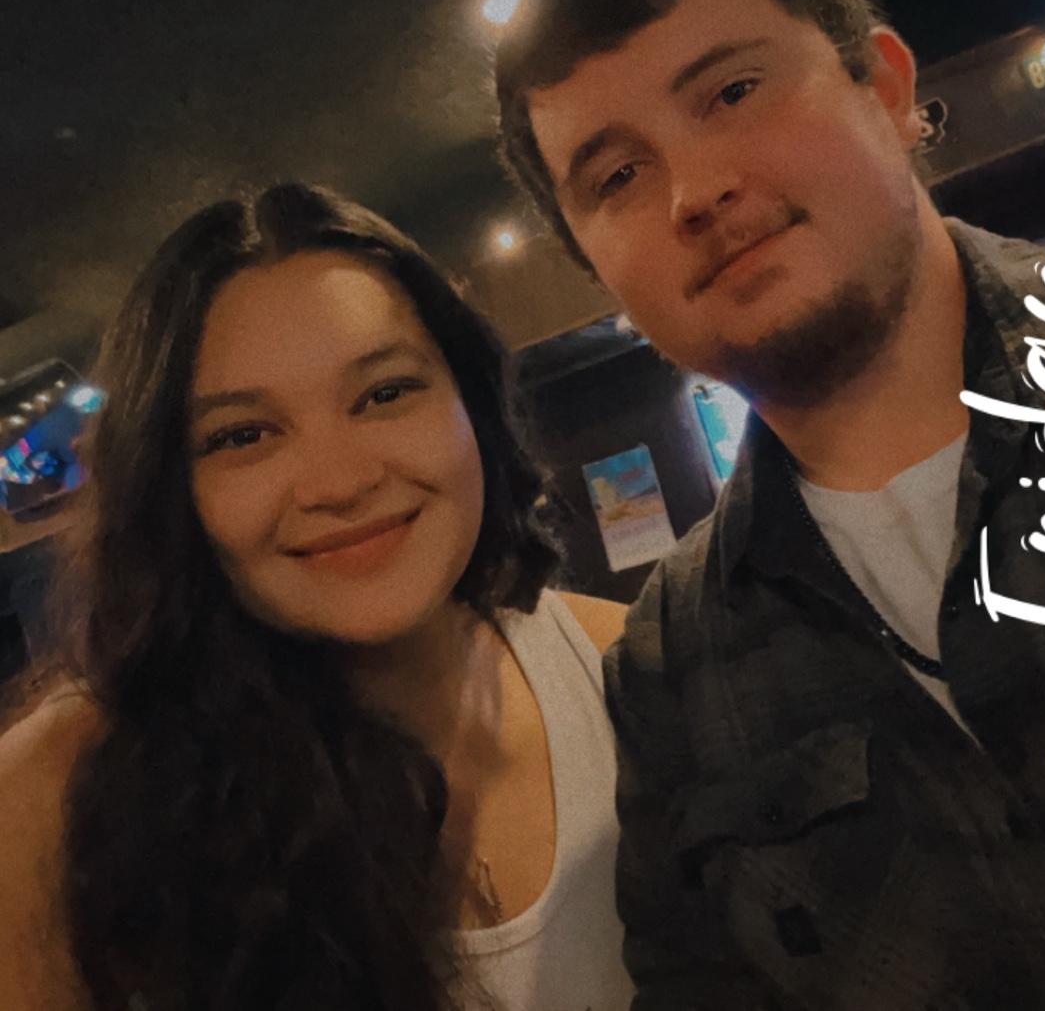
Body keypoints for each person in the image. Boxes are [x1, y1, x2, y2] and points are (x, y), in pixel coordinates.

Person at [494, 0, 1045, 1008]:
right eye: (617, 176)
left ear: (884, 86)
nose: (695, 192)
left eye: (733, 91)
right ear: (597, 269)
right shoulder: (668, 667)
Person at [0, 183, 635, 1011]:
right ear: (170, 488)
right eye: (243, 435)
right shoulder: (58, 799)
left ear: (471, 404)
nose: (340, 482)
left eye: (385, 393)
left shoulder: (638, 672)